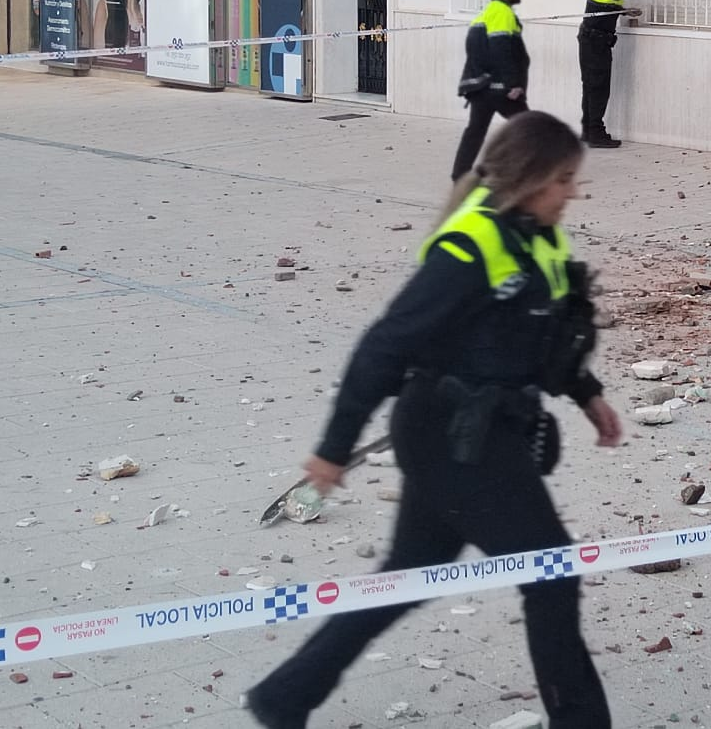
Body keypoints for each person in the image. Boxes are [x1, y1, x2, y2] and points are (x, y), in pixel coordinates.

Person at [244, 111, 620, 729]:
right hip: (450, 439)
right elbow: (382, 347)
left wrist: (587, 395)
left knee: (409, 574)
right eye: (563, 179)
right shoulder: (469, 247)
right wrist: (333, 451)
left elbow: (545, 336)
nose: (572, 193)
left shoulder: (541, 238)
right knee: (552, 573)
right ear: (529, 179)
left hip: (481, 432)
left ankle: (285, 696)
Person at [577, 0, 680, 148]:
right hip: (597, 43)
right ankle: (596, 134)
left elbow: (606, 4)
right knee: (599, 88)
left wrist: (624, 11)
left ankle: (587, 131)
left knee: (590, 86)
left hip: (588, 39)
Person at [452, 0, 529, 179]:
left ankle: (460, 175)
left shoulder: (489, 12)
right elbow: (501, 50)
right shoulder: (502, 12)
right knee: (529, 129)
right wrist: (511, 83)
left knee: (475, 131)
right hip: (498, 88)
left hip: (481, 86)